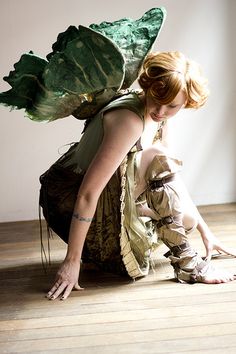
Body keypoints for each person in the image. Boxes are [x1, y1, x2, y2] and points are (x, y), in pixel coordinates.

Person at [41, 51, 235, 300]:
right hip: (71, 206)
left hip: (108, 199)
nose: (161, 111)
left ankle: (144, 227)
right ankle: (189, 266)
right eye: (157, 99)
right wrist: (72, 261)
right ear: (148, 86)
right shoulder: (129, 119)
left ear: (186, 102)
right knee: (156, 156)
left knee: (187, 220)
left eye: (173, 106)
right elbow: (88, 194)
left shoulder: (159, 117)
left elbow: (170, 179)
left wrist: (206, 232)